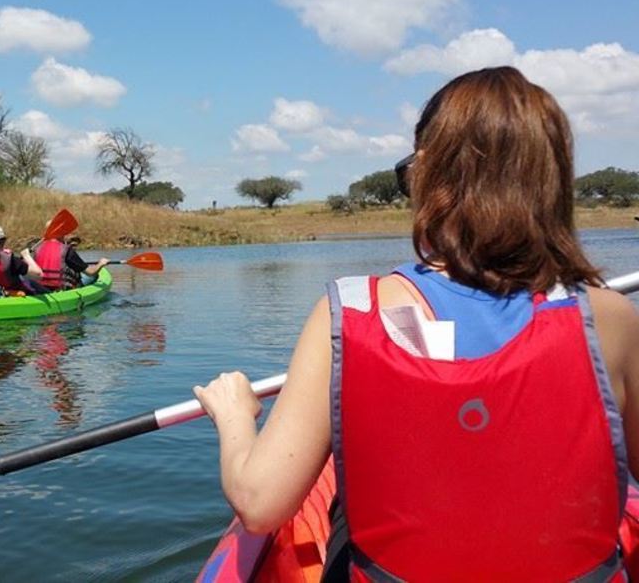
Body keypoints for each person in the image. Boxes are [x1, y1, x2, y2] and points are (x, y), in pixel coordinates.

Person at [193, 67, 639, 580]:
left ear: (426, 174)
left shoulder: (349, 314)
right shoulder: (609, 320)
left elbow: (260, 503)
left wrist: (234, 415)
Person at [26, 229, 109, 291]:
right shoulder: (66, 250)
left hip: (41, 288)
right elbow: (91, 272)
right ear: (61, 234)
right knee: (94, 275)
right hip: (63, 289)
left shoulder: (37, 249)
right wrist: (101, 263)